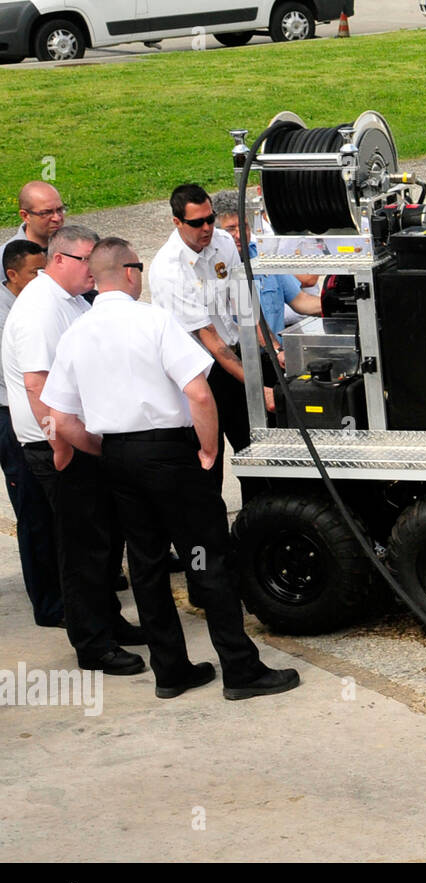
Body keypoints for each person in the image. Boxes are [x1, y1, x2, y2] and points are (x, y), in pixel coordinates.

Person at [41, 238, 300, 700]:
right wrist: (206, 451)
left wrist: (102, 450)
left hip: (119, 457)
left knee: (146, 565)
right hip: (169, 454)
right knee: (207, 558)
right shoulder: (153, 320)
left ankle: (171, 669)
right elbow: (200, 393)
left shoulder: (77, 333)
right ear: (129, 272)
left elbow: (60, 418)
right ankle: (240, 669)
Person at [1, 225, 143, 674]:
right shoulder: (41, 310)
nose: (95, 270)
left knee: (101, 538)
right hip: (57, 444)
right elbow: (37, 385)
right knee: (80, 547)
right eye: (87, 260)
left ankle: (108, 621)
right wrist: (60, 442)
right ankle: (92, 644)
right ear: (58, 260)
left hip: (80, 437)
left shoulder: (72, 300)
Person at [149, 184, 276, 466]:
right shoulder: (169, 270)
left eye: (210, 218)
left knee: (256, 449)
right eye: (197, 223)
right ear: (177, 222)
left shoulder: (223, 242)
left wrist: (272, 348)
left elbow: (243, 303)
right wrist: (257, 386)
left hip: (232, 356)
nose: (207, 228)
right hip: (198, 372)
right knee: (210, 459)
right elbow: (210, 340)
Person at [0, 240, 63, 627]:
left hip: (36, 414)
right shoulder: (10, 313)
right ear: (12, 275)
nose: (42, 280)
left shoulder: (38, 303)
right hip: (12, 418)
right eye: (34, 274)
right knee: (34, 510)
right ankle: (49, 604)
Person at [210, 190, 321, 344]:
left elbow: (301, 301)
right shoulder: (213, 269)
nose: (240, 234)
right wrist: (275, 349)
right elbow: (248, 323)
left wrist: (339, 306)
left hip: (276, 357)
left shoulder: (262, 258)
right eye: (230, 229)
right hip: (243, 360)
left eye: (244, 226)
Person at [2, 182, 66, 258]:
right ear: (25, 216)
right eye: (46, 213)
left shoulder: (75, 246)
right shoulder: (6, 259)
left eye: (60, 210)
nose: (57, 218)